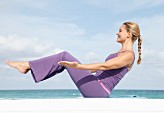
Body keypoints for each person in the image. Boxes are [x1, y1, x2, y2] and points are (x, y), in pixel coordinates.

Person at [6, 22, 142, 98]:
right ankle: (31, 67)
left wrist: (76, 66)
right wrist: (74, 66)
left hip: (99, 90)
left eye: (120, 30)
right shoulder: (120, 52)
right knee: (64, 62)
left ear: (129, 34)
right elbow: (96, 69)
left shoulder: (129, 55)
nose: (117, 33)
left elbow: (104, 66)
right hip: (95, 85)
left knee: (64, 56)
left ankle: (26, 65)